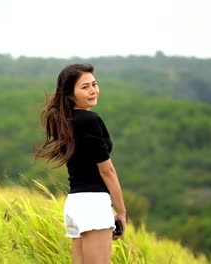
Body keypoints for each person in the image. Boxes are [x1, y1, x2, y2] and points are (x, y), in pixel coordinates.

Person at [35, 63, 127, 264]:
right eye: (85, 87)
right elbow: (107, 170)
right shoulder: (89, 120)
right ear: (69, 94)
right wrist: (121, 211)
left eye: (94, 84)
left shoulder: (67, 120)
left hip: (76, 205)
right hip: (93, 204)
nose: (93, 90)